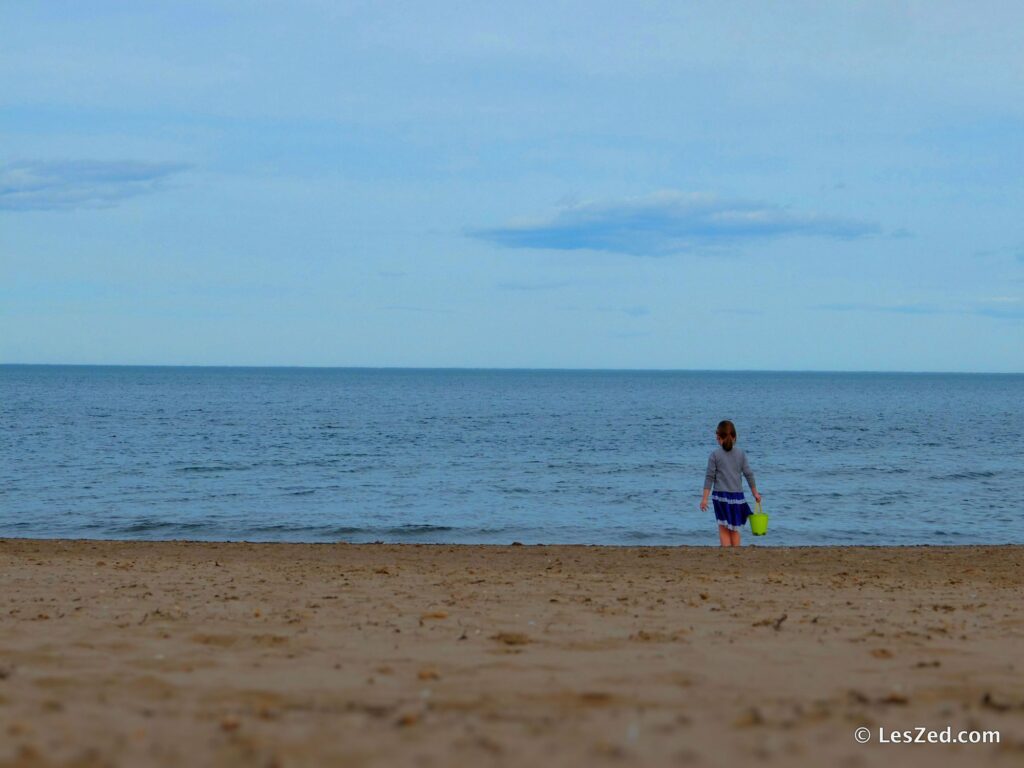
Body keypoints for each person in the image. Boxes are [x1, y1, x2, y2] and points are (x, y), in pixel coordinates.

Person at [699, 420, 762, 547]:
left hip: (720, 497)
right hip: (737, 498)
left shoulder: (714, 455)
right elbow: (748, 474)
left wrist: (704, 499)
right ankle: (736, 552)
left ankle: (726, 553)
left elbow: (709, 478)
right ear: (735, 437)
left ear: (718, 437)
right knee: (735, 529)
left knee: (723, 528)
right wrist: (755, 493)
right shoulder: (741, 454)